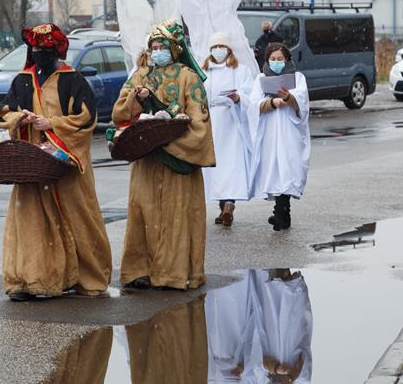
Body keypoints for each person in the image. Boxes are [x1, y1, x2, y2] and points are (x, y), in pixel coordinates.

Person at [0, 23, 112, 300]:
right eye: (35, 48)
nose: (39, 53)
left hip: (66, 166)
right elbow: (3, 112)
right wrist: (19, 118)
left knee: (78, 218)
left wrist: (52, 124)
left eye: (45, 49)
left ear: (57, 50)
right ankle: (29, 280)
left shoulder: (73, 81)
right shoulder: (22, 80)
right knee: (31, 224)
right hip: (32, 166)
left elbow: (86, 119)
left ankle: (85, 276)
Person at [111, 20, 215, 290]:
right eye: (153, 47)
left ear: (174, 49)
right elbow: (119, 113)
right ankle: (139, 270)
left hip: (177, 162)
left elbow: (200, 122)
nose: (157, 52)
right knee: (143, 214)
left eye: (162, 47)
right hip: (146, 160)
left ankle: (174, 273)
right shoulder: (139, 75)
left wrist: (167, 139)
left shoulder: (188, 77)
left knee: (175, 217)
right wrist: (136, 99)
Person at [247, 43, 311, 231]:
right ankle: (281, 212)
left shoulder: (297, 78)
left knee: (288, 168)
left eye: (280, 59)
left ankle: (282, 212)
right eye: (272, 59)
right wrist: (272, 102)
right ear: (267, 60)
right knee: (274, 169)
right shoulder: (260, 79)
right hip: (269, 131)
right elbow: (253, 104)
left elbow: (303, 101)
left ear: (287, 59)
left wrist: (289, 98)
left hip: (289, 131)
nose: (276, 62)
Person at [201, 31, 254, 227]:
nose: (218, 50)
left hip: (231, 121)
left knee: (230, 163)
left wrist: (238, 98)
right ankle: (223, 205)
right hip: (211, 120)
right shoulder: (204, 71)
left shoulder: (240, 70)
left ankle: (229, 203)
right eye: (214, 47)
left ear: (229, 49)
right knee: (215, 165)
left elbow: (249, 93)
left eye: (221, 46)